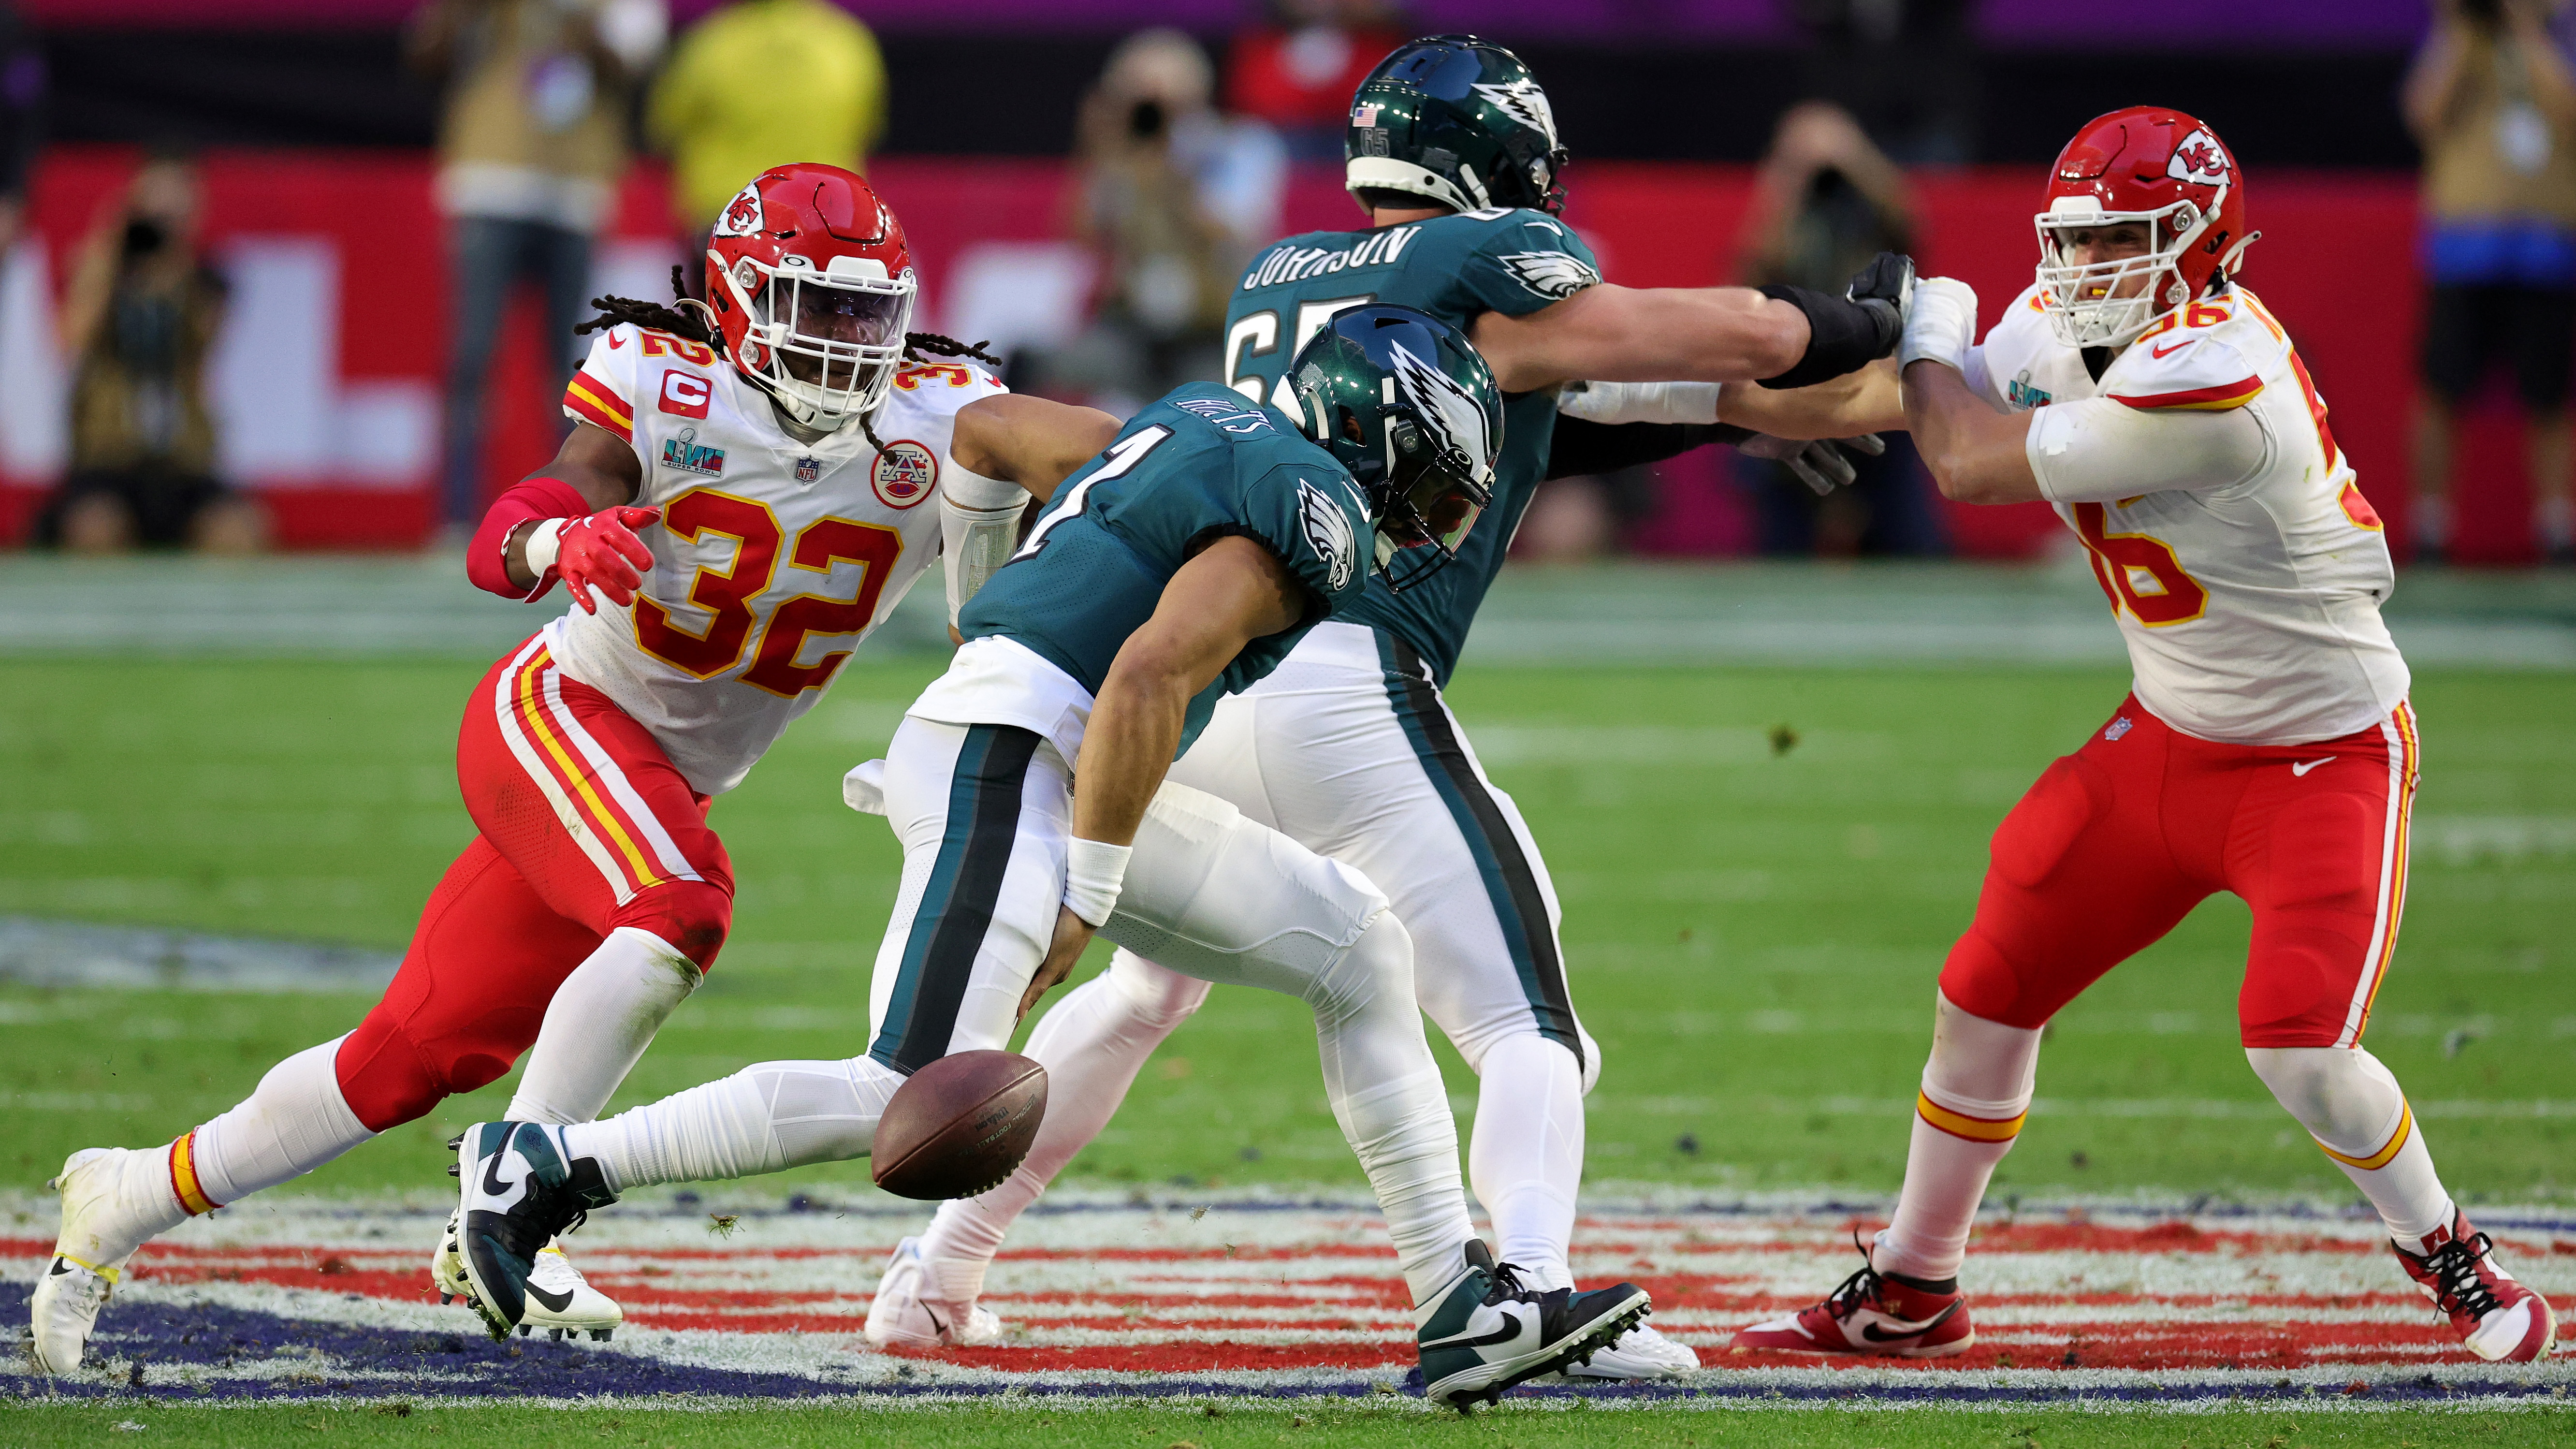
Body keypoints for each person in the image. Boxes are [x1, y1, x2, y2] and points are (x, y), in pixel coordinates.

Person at [861, 34, 1906, 1384]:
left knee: (1147, 986)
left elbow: (1561, 405)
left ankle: (933, 1273)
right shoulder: (1477, 264)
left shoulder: (1287, 276)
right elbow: (1726, 338)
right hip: (1350, 670)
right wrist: (1887, 329)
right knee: (1526, 1019)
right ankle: (1524, 1287)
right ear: (1499, 163)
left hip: (1214, 676)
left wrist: (1737, 417)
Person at [445, 306, 1656, 1408]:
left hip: (1036, 750)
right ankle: (547, 1167)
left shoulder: (1200, 416)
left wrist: (982, 605)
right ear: (1379, 437)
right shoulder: (1319, 509)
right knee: (900, 1087)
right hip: (1013, 760)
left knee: (1359, 948)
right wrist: (1091, 889)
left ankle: (1459, 1302)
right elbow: (1145, 678)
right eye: (1442, 482)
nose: (1446, 514)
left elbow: (986, 434)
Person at [31, 163, 1029, 1372]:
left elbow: (1072, 469)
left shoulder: (948, 412)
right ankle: (520, 1186)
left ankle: (124, 1196)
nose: (845, 343)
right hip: (557, 716)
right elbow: (535, 506)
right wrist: (563, 536)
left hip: (653, 779)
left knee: (400, 1062)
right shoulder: (667, 385)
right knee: (680, 907)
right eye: (813, 309)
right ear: (734, 298)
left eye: (867, 314)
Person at [1731, 108, 2561, 1365]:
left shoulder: (2215, 371)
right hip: (2166, 736)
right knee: (1986, 987)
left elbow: (1957, 453)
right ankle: (1914, 1282)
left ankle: (2446, 1241)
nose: (2091, 268)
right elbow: (1883, 403)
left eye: (2125, 239)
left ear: (2203, 242)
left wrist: (1932, 338)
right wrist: (1674, 395)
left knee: (2299, 1042)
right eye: (2078, 240)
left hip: (2319, 756)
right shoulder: (2079, 322)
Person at [408, 0, 664, 537]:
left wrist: (579, 20)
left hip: (575, 190)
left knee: (570, 370)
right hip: (490, 178)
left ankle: (565, 515)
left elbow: (632, 65)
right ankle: (456, 517)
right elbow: (425, 54)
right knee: (473, 355)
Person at [2405, 0, 2576, 565]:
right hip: (2463, 243)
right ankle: (2429, 522)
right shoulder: (2457, 32)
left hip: (2543, 245)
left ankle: (2555, 525)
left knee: (2548, 395)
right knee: (2441, 388)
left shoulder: (2560, 32)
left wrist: (2527, 30)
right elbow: (2423, 113)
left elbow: (2568, 113)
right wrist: (2463, 30)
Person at [1735, 101, 1943, 557]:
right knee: (1783, 544)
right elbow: (1755, 266)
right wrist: (1791, 171)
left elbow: (1910, 225)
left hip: (1873, 382)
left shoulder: (1868, 213)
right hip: (1792, 389)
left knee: (1910, 542)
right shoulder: (1788, 215)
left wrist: (1853, 156)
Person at [35, 146, 267, 554]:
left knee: (239, 532)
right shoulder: (101, 270)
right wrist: (112, 247)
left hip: (183, 462)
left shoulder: (207, 278)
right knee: (95, 531)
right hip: (110, 457)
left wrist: (173, 260)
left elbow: (205, 335)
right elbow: (70, 338)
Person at [1047, 29, 1285, 408]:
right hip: (1132, 327)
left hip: (1210, 328)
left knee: (1214, 418)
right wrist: (1092, 152)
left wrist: (1167, 168)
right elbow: (1082, 234)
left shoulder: (1239, 145)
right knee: (1051, 373)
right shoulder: (1120, 154)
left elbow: (1233, 230)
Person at [649, 0, 885, 295]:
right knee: (820, 335)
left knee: (718, 334)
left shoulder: (711, 43)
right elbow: (867, 126)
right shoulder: (847, 43)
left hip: (730, 221)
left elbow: (664, 126)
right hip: (827, 223)